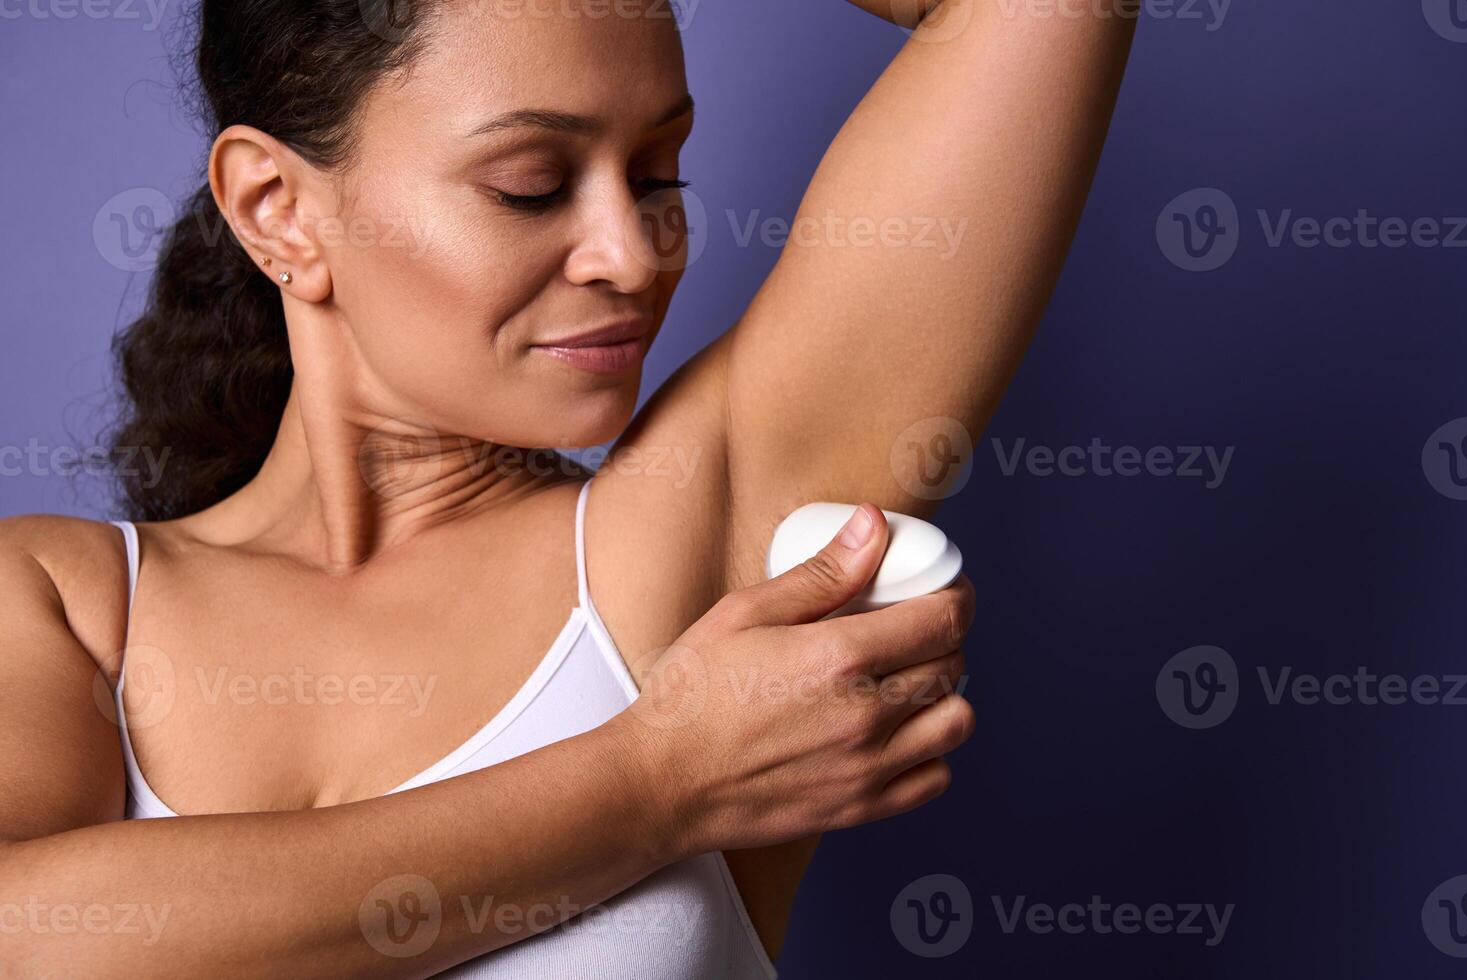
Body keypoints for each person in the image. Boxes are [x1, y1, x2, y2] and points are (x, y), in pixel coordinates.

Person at [0, 0, 1135, 975]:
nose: (633, 254)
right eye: (533, 186)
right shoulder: (68, 603)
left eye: (657, 174)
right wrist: (655, 780)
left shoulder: (688, 540)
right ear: (277, 210)